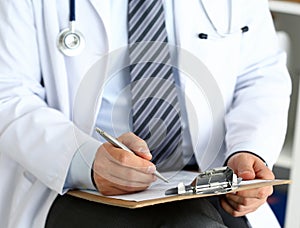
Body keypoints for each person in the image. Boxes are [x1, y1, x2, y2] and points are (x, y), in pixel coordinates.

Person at [0, 0, 291, 227]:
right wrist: (86, 160)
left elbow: (260, 75)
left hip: (208, 182)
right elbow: (9, 92)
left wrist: (249, 152)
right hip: (80, 187)